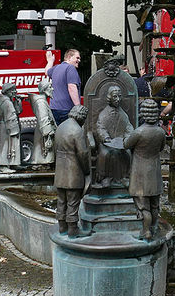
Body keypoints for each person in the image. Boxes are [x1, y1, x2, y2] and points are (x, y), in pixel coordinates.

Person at [125, 99, 166, 240]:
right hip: (154, 171)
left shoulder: (139, 132)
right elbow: (161, 148)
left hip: (140, 172)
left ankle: (146, 231)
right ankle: (154, 227)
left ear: (143, 113)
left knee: (143, 206)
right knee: (155, 204)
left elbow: (126, 144)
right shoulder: (160, 132)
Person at [53, 105, 90, 237]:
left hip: (60, 171)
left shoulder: (61, 127)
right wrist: (87, 171)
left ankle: (62, 227)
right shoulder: (77, 131)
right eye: (84, 118)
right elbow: (83, 154)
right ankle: (73, 229)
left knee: (61, 200)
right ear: (81, 116)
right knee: (73, 201)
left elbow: (54, 149)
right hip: (73, 172)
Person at [94, 84, 133, 187]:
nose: (118, 99)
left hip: (121, 142)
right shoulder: (103, 114)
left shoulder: (123, 114)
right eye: (115, 96)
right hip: (107, 143)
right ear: (109, 98)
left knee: (127, 153)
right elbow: (100, 128)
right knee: (105, 154)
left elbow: (129, 127)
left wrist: (128, 138)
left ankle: (124, 177)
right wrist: (106, 138)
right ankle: (105, 178)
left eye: (119, 96)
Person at [45, 49, 82, 125]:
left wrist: (50, 61)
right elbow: (72, 88)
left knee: (57, 134)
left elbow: (47, 71)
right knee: (68, 135)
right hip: (66, 110)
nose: (79, 60)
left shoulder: (56, 68)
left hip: (54, 109)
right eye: (77, 58)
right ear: (69, 57)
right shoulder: (70, 68)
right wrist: (78, 107)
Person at [0, 82, 22, 173]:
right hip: (6, 126)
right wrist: (13, 129)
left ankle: (13, 163)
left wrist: (17, 102)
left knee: (11, 146)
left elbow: (18, 111)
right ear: (8, 91)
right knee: (4, 146)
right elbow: (11, 116)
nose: (15, 92)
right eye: (13, 90)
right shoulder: (6, 102)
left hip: (7, 125)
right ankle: (2, 165)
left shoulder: (9, 101)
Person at [27, 79, 57, 166]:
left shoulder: (43, 101)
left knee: (42, 153)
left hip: (43, 131)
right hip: (44, 132)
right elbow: (43, 119)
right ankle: (41, 163)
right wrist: (49, 133)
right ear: (44, 90)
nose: (53, 89)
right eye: (50, 87)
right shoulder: (41, 103)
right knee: (43, 153)